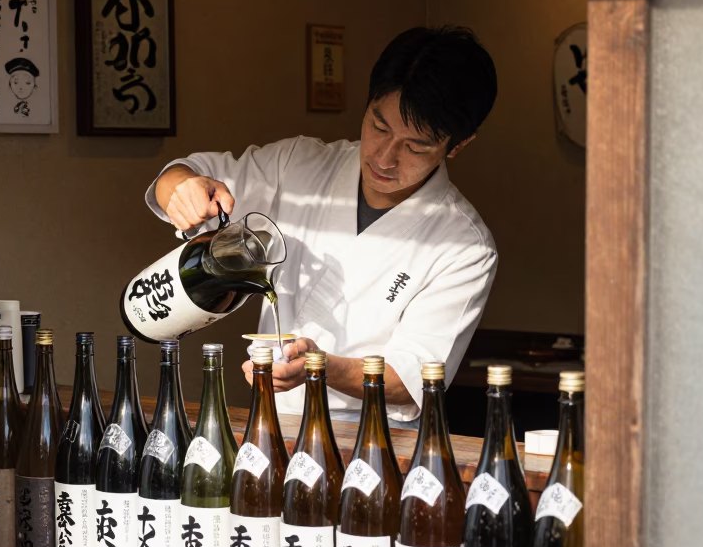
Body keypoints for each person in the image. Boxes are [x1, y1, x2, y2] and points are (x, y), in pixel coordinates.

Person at [146, 26, 498, 424]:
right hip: (271, 421)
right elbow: (184, 174)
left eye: (415, 146)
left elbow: (414, 377)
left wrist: (319, 366)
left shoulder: (464, 245)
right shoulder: (300, 165)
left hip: (373, 439)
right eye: (379, 127)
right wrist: (183, 187)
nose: (385, 157)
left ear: (458, 144)